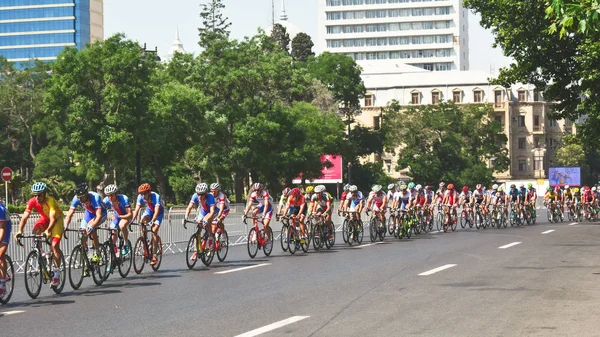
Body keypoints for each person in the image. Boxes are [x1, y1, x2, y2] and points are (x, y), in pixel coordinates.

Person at [16, 182, 65, 288]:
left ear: (44, 194)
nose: (36, 197)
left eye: (39, 195)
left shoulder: (50, 201)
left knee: (54, 245)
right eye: (34, 195)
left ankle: (56, 273)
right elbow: (24, 217)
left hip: (56, 221)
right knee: (35, 231)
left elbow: (52, 218)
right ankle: (40, 253)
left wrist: (48, 231)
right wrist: (19, 230)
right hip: (45, 219)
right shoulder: (32, 201)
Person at [64, 183, 107, 264]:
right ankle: (86, 253)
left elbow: (98, 215)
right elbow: (70, 214)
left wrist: (92, 226)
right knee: (82, 232)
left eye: (81, 197)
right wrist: (65, 225)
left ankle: (97, 252)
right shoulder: (76, 198)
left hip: (101, 214)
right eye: (78, 198)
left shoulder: (95, 197)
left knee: (91, 228)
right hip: (89, 213)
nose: (79, 200)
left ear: (86, 194)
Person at [132, 183, 164, 265]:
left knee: (154, 230)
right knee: (142, 221)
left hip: (158, 213)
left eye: (144, 194)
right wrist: (132, 220)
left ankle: (154, 255)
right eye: (141, 194)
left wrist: (152, 221)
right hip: (149, 210)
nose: (143, 196)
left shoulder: (156, 196)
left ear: (149, 192)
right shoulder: (140, 197)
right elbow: (136, 210)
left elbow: (156, 211)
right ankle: (146, 241)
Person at [102, 184, 132, 256]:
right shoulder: (106, 200)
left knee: (122, 225)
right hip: (117, 216)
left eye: (111, 195)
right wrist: (109, 215)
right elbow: (101, 210)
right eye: (108, 195)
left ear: (116, 194)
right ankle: (114, 248)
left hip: (126, 216)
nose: (110, 197)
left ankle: (126, 243)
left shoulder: (124, 199)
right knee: (112, 229)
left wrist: (121, 216)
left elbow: (130, 214)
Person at [0, 200, 11, 297]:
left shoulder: (1, 210)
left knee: (0, 255)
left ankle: (2, 284)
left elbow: (2, 229)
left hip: (4, 229)